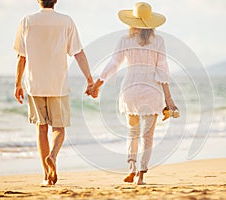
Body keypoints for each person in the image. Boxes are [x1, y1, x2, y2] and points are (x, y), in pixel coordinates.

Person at [91, 2, 177, 185]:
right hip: (152, 91)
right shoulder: (159, 41)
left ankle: (131, 167)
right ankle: (141, 174)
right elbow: (162, 71)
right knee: (147, 136)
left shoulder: (125, 40)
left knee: (133, 133)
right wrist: (169, 99)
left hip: (130, 90)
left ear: (132, 21)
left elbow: (114, 63)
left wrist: (98, 83)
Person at [13, 0, 97, 186]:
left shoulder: (26, 21)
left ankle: (46, 176)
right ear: (56, 1)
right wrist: (90, 79)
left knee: (41, 128)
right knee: (58, 128)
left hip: (34, 84)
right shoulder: (66, 21)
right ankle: (52, 156)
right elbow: (78, 53)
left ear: (38, 1)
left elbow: (21, 57)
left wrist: (17, 83)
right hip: (58, 84)